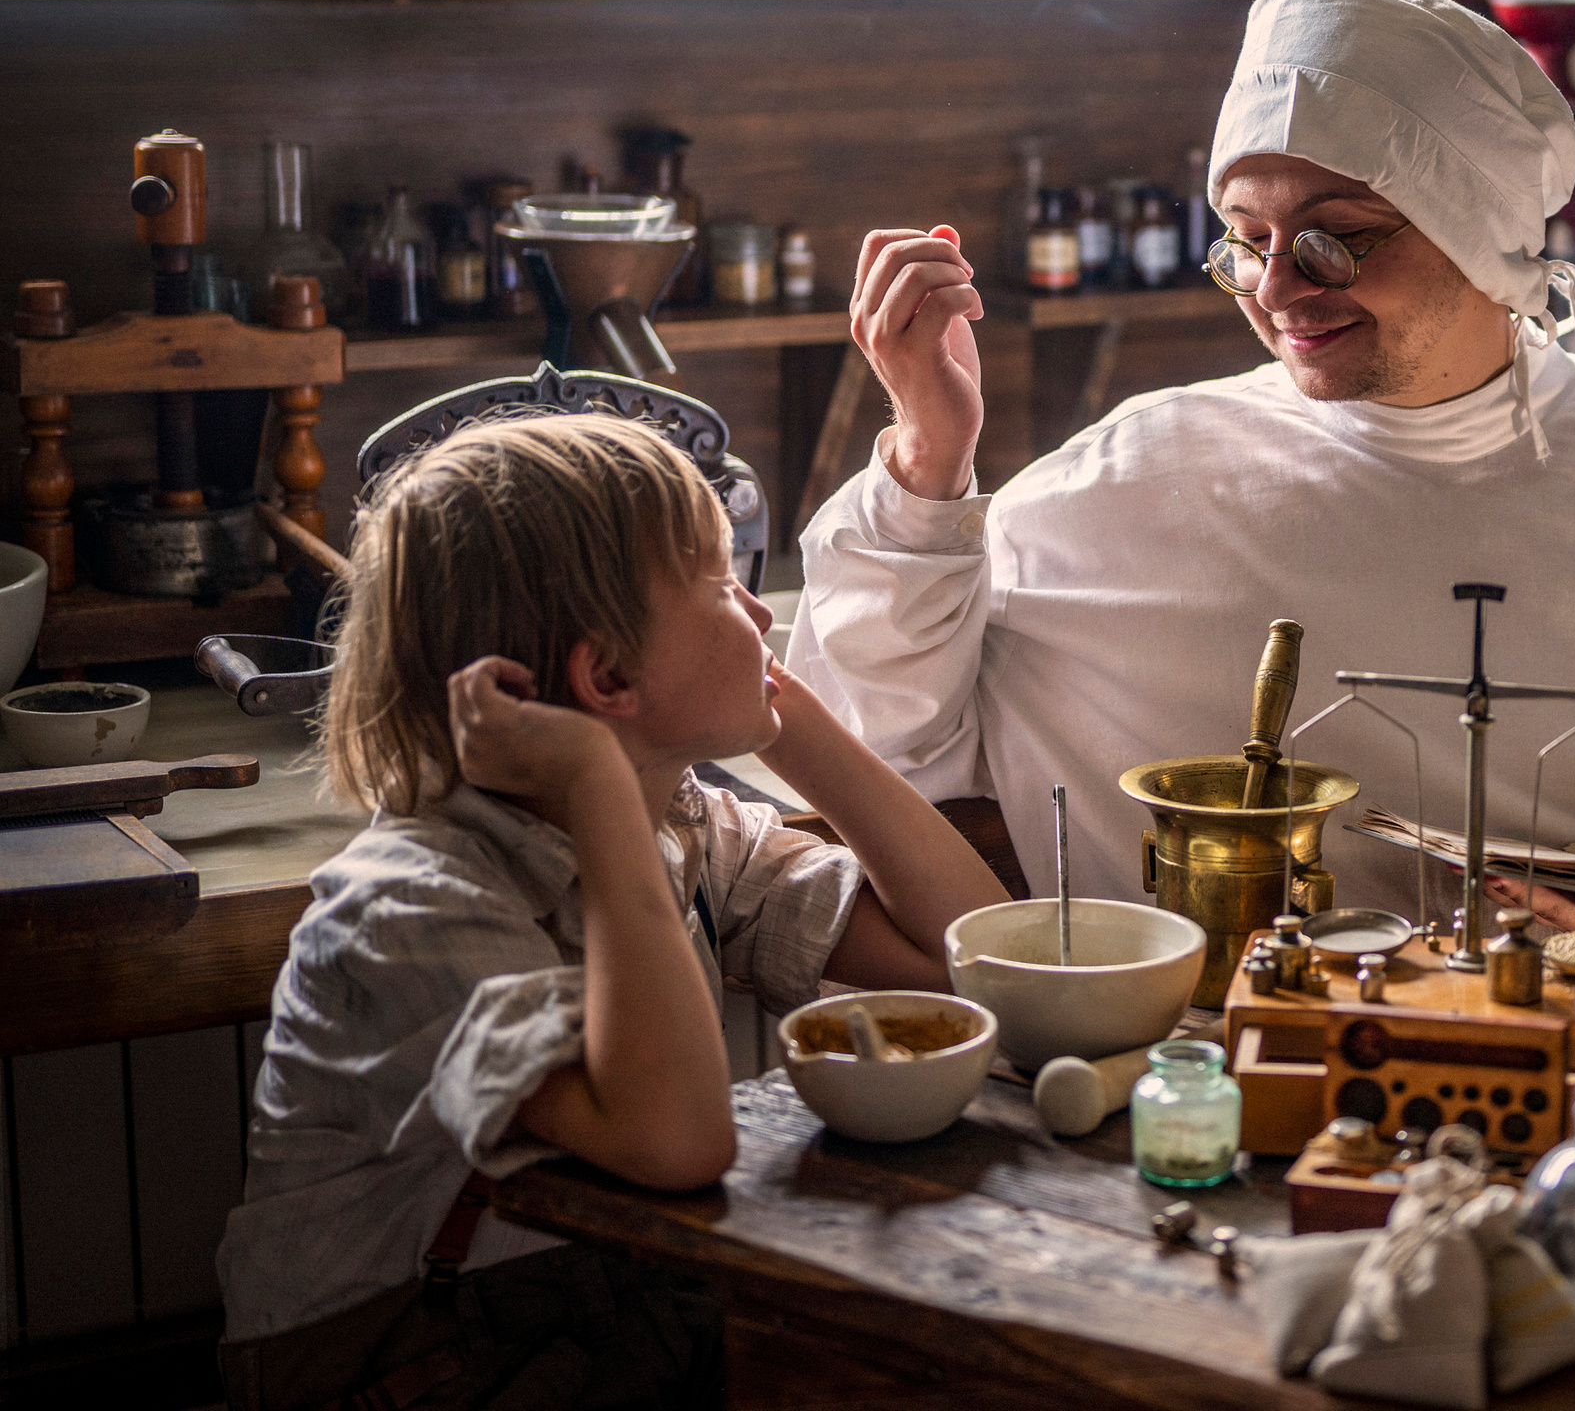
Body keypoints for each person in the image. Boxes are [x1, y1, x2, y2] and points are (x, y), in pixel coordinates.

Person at [789, 0, 1575, 1072]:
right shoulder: (1124, 483)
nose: (1276, 290)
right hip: (1227, 1096)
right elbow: (881, 748)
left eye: (1337, 240)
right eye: (1243, 238)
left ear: (1487, 237)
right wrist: (929, 457)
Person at [217, 414, 1006, 1410]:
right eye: (724, 587)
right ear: (610, 679)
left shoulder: (684, 823)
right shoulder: (408, 907)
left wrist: (789, 721)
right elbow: (676, 1140)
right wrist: (591, 783)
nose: (760, 617)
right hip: (417, 1363)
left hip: (605, 1318)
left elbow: (974, 960)